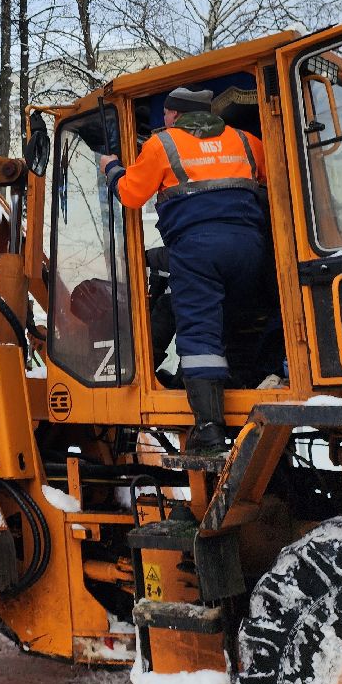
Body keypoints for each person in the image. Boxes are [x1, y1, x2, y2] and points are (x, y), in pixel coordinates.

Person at [97, 86, 268, 452]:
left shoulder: (163, 145)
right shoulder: (247, 140)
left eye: (166, 115)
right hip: (250, 247)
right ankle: (247, 385)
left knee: (200, 333)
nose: (163, 121)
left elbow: (130, 194)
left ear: (175, 115)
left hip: (196, 251)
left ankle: (208, 430)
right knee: (236, 320)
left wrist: (111, 168)